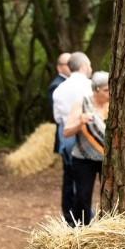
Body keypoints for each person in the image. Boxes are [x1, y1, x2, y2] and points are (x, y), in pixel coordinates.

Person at [62, 70, 109, 226]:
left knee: (110, 195)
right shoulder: (82, 103)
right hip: (84, 159)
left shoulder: (116, 104)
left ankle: (107, 227)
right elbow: (67, 131)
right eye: (106, 90)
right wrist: (80, 122)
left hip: (107, 160)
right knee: (82, 196)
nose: (110, 93)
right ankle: (81, 229)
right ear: (96, 90)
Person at [51, 52, 93, 226]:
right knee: (85, 179)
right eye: (89, 65)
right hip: (87, 137)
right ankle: (84, 218)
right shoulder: (90, 87)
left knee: (70, 177)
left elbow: (58, 118)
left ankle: (70, 218)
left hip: (66, 137)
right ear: (84, 66)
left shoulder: (60, 89)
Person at [47, 53, 72, 153]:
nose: (72, 66)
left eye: (73, 63)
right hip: (66, 135)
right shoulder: (57, 85)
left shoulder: (72, 83)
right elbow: (59, 114)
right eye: (68, 64)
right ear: (59, 68)